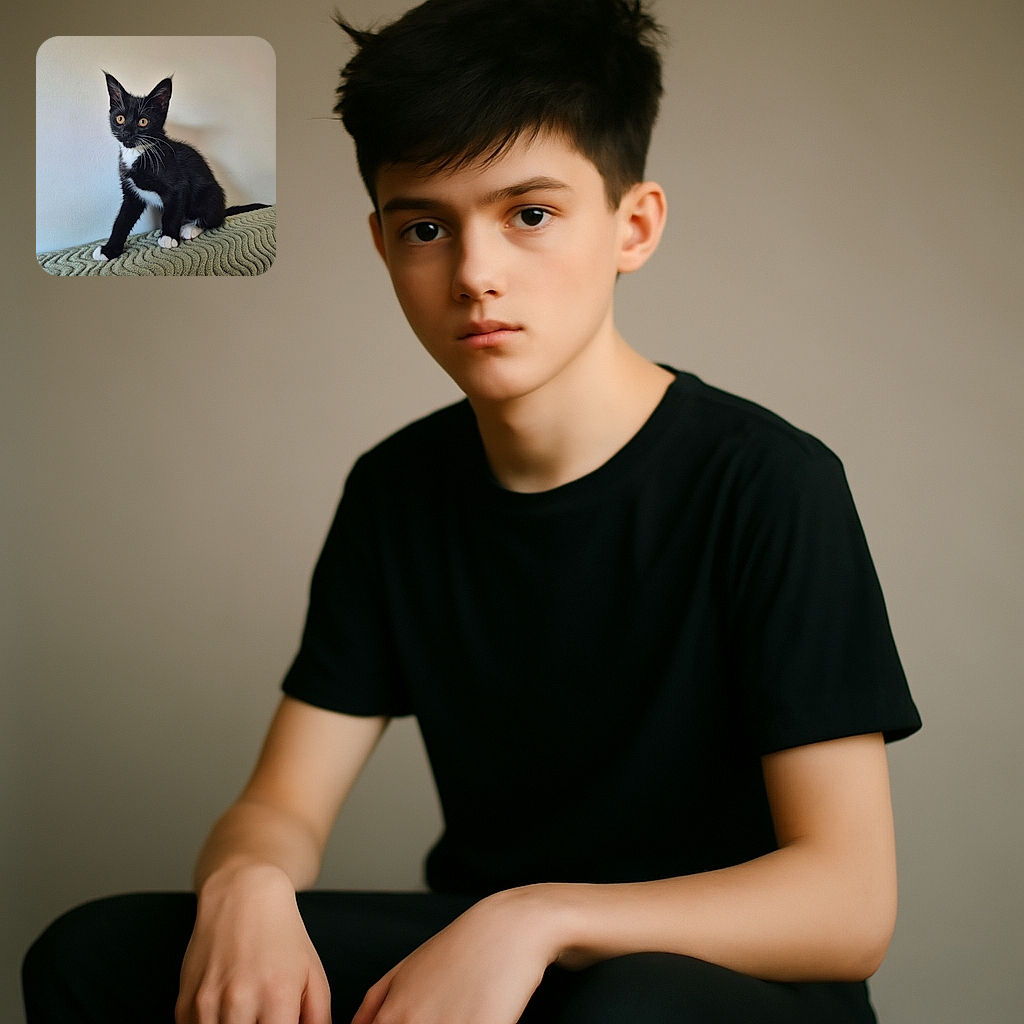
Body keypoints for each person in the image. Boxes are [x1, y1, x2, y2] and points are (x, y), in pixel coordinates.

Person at [23, 1, 921, 1022]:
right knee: (97, 954)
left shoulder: (767, 482)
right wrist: (247, 886)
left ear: (633, 227)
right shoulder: (396, 491)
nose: (474, 274)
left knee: (626, 1003)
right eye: (424, 228)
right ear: (381, 245)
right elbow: (280, 804)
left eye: (528, 214)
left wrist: (533, 918)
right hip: (496, 957)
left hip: (730, 979)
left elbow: (850, 903)